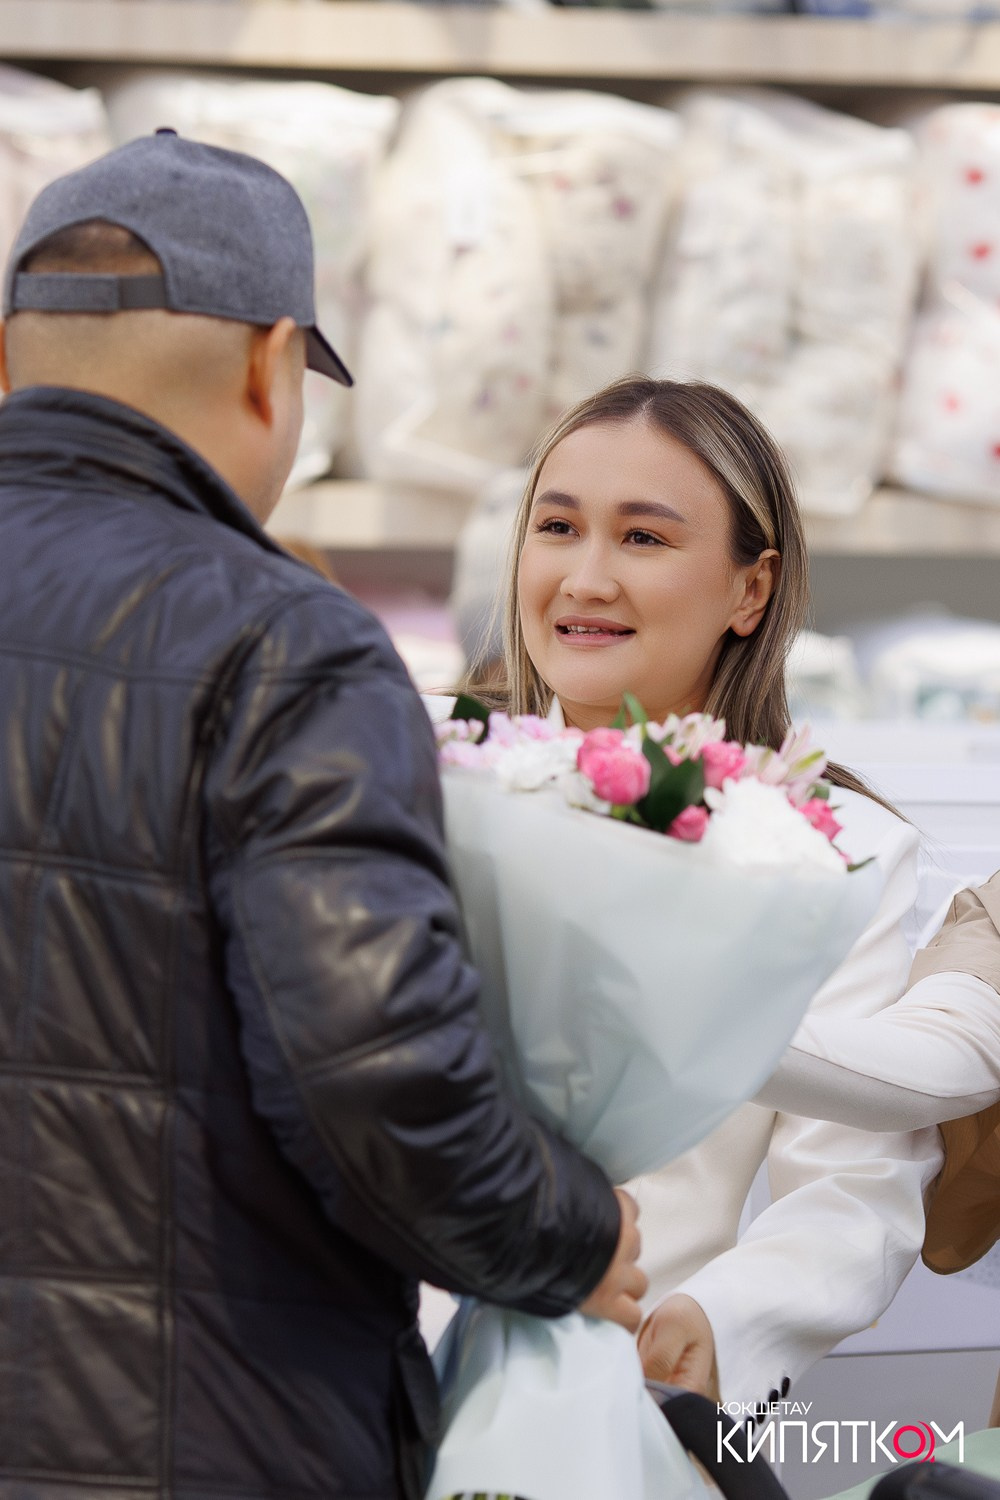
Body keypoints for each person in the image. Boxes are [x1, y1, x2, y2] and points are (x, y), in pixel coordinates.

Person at [0, 133, 648, 1500]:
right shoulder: (283, 641)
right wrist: (572, 1235)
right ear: (269, 365)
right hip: (189, 1434)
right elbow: (375, 1078)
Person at [462, 373, 943, 1413]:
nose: (585, 578)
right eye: (557, 526)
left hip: (623, 1395)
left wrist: (713, 1325)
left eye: (643, 538)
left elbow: (855, 1183)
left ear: (750, 589)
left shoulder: (839, 847)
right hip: (355, 1375)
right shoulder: (423, 767)